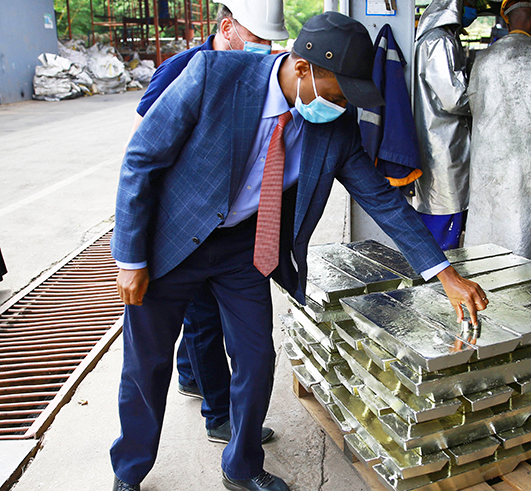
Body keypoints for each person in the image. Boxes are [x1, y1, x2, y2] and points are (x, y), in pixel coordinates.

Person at [111, 11, 488, 491]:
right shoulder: (212, 76)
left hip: (242, 250)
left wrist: (444, 274)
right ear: (304, 68)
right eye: (338, 92)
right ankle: (129, 471)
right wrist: (131, 259)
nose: (342, 104)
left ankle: (241, 466)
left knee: (256, 358)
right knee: (147, 365)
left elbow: (384, 201)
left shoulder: (334, 126)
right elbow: (141, 160)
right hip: (169, 244)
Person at [125, 0, 284, 448]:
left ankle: (209, 399)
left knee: (220, 330)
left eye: (273, 42)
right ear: (228, 27)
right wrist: (137, 247)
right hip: (179, 229)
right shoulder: (186, 68)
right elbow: (141, 150)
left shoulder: (258, 73)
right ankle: (216, 413)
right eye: (258, 41)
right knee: (200, 324)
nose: (267, 50)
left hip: (231, 234)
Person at [464, 0, 531, 267]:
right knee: (526, 238)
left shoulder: (483, 58)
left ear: (506, 20)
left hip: (486, 163)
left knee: (486, 237)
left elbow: (474, 108)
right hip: (529, 163)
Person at [410, 0, 484, 251]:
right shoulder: (439, 41)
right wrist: (486, 99)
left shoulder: (432, 38)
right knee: (444, 216)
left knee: (435, 214)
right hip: (443, 143)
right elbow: (454, 98)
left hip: (437, 138)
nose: (475, 9)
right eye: (470, 3)